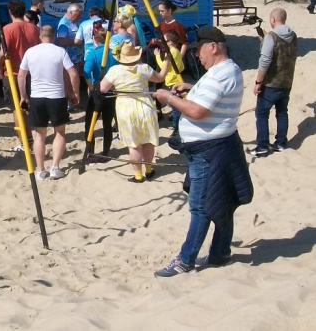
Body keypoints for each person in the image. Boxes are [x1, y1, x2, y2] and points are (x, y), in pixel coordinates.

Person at [152, 26, 251, 277]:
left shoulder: (221, 74)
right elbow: (208, 99)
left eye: (199, 50)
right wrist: (192, 89)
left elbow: (198, 112)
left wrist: (169, 98)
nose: (197, 55)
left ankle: (185, 260)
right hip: (216, 146)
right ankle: (220, 253)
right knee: (222, 201)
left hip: (210, 151)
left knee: (200, 207)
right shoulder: (224, 71)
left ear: (213, 47)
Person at [100, 41, 169, 183]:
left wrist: (115, 87)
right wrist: (166, 62)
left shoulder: (114, 70)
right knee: (148, 140)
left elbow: (102, 89)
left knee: (134, 144)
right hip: (145, 106)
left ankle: (138, 175)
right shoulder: (144, 68)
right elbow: (160, 78)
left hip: (126, 108)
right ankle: (148, 170)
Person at [18, 26, 78, 180]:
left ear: (40, 36)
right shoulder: (60, 51)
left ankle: (40, 170)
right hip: (56, 96)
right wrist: (75, 92)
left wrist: (23, 96)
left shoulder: (30, 52)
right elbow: (73, 73)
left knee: (39, 136)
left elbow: (21, 76)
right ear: (54, 36)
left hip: (37, 96)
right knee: (60, 132)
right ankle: (55, 167)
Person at [250, 8, 297, 156]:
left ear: (273, 19)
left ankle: (262, 145)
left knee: (261, 114)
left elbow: (265, 60)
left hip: (271, 83)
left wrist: (258, 82)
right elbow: (283, 53)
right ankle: (281, 143)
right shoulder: (293, 35)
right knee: (282, 112)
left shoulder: (272, 36)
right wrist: (263, 42)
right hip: (287, 82)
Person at [0, 0, 41, 152]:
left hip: (14, 73)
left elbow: (4, 52)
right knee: (29, 106)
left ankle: (25, 141)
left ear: (10, 12)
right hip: (31, 72)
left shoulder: (8, 29)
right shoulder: (34, 29)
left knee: (17, 108)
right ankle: (33, 137)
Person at [83, 28, 117, 163]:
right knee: (107, 123)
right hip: (111, 92)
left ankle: (90, 152)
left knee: (89, 123)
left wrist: (90, 86)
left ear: (95, 40)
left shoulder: (93, 53)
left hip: (98, 92)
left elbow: (86, 71)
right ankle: (106, 152)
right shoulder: (114, 53)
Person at [155, 31, 185, 138]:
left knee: (175, 107)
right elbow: (181, 66)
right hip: (175, 80)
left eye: (164, 40)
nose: (162, 42)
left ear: (170, 42)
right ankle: (177, 124)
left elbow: (163, 67)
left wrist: (157, 56)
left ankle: (177, 129)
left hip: (173, 82)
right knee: (175, 106)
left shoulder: (171, 52)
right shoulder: (176, 51)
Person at [56, 3, 84, 108]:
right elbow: (61, 40)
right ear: (71, 12)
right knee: (69, 79)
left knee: (75, 80)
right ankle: (69, 102)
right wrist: (76, 42)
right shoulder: (64, 24)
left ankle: (73, 101)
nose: (80, 17)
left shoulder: (73, 22)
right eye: (78, 15)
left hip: (76, 57)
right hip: (69, 57)